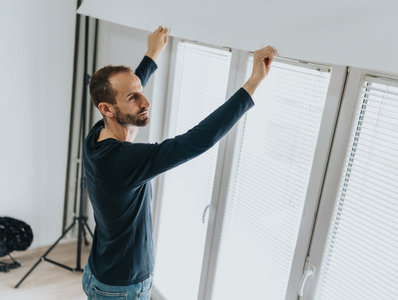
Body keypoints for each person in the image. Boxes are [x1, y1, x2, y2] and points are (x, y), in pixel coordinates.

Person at [81, 25, 276, 299]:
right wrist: (253, 82)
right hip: (121, 289)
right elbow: (193, 142)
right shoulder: (124, 162)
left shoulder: (96, 136)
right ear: (107, 109)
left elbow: (128, 90)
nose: (145, 101)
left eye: (140, 91)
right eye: (133, 97)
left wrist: (151, 55)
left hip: (100, 272)